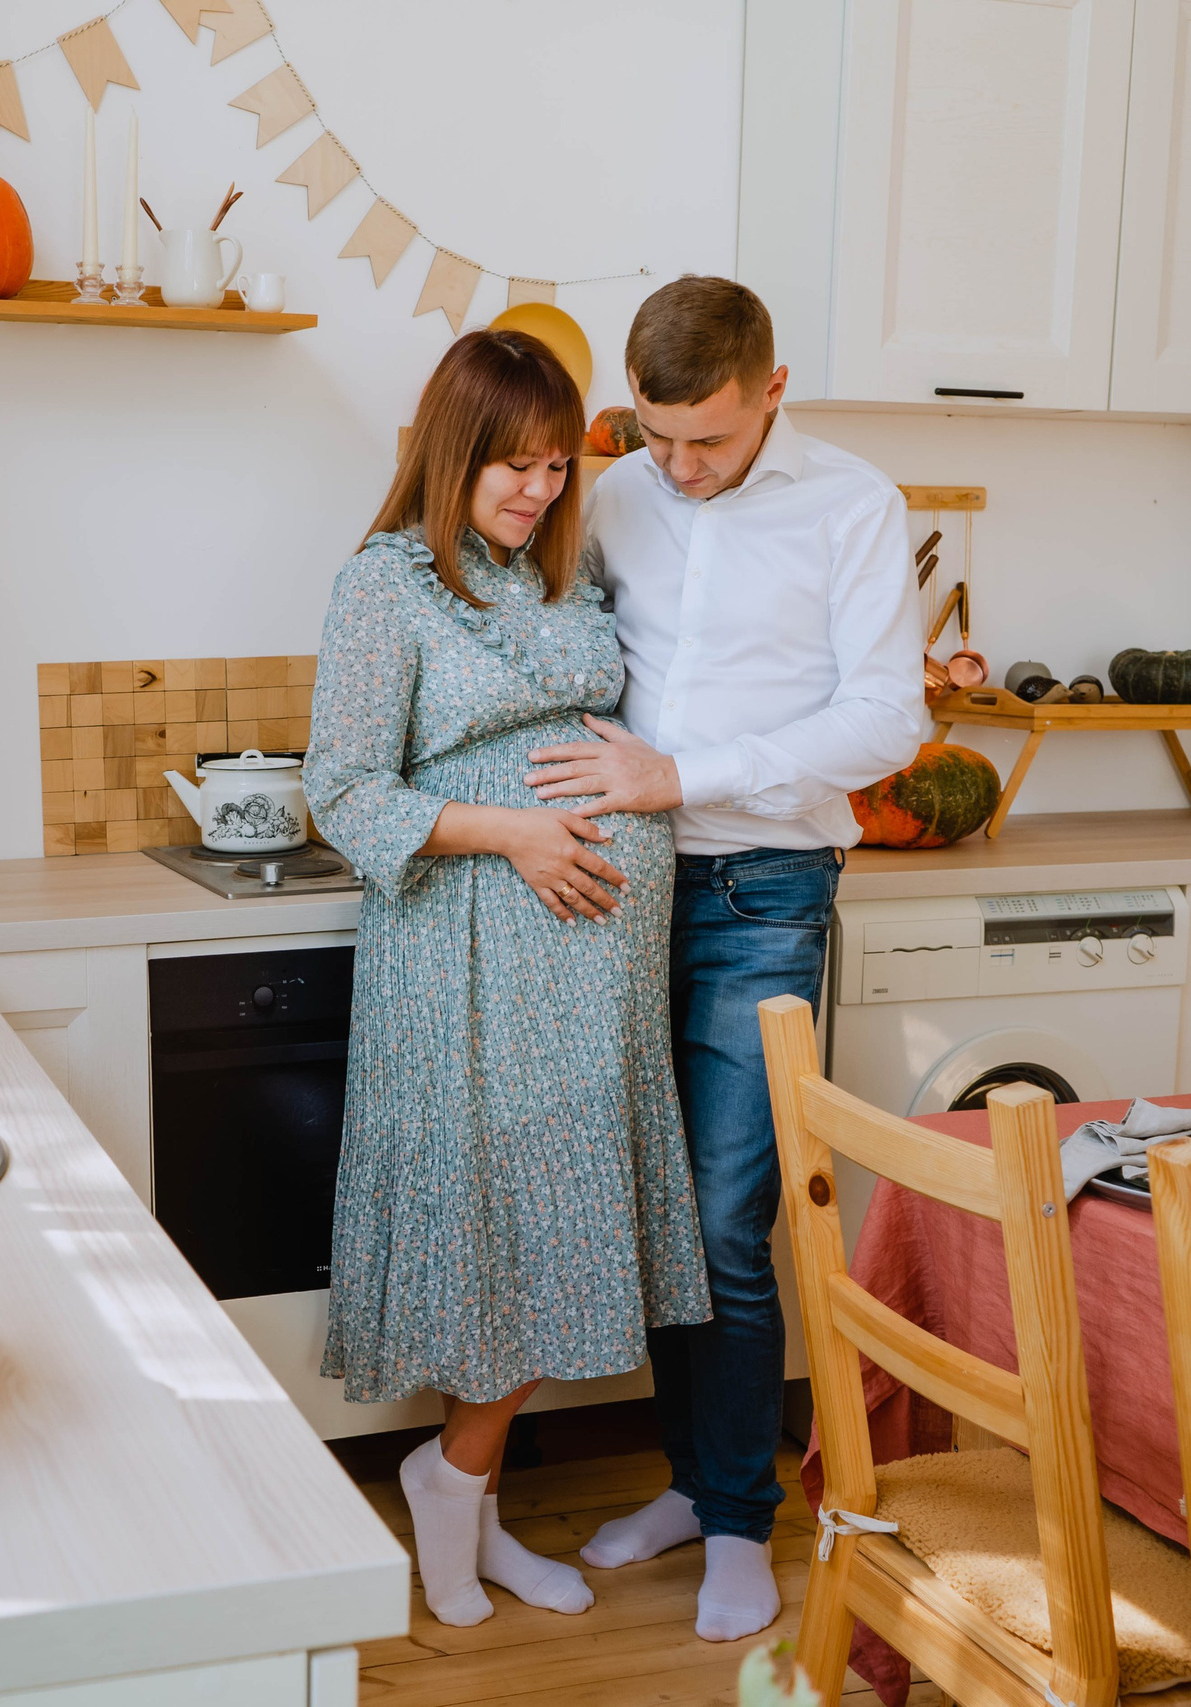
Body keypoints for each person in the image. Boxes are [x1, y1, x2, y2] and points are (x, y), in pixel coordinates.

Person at [523, 276, 925, 1642]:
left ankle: (746, 1518)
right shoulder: (617, 488)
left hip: (766, 892)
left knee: (725, 1221)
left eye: (710, 438)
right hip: (617, 892)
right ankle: (696, 1489)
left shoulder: (854, 506)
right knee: (654, 1222)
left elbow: (887, 721)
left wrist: (690, 773)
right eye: (657, 436)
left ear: (774, 390)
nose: (680, 469)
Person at [305, 328, 712, 1629]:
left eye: (552, 467)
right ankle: (452, 1486)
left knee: (549, 1235)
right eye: (511, 469)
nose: (537, 491)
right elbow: (343, 789)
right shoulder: (387, 585)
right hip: (464, 963)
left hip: (590, 980)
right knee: (488, 1234)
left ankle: (461, 1498)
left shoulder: (561, 577)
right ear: (451, 452)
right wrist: (518, 831)